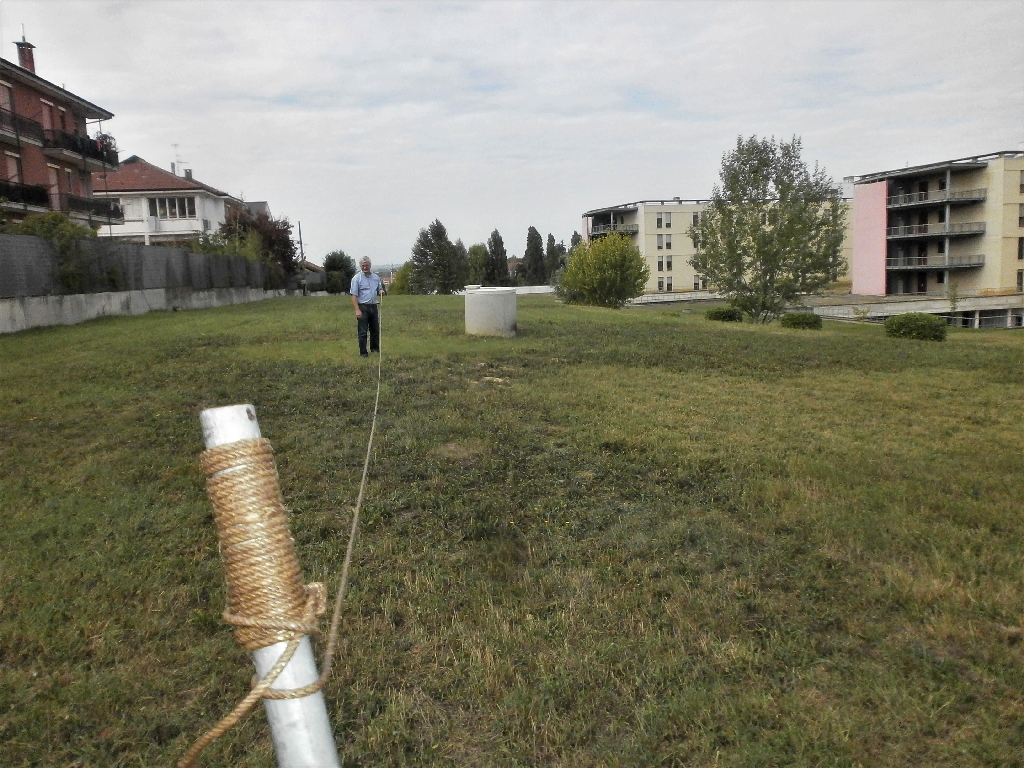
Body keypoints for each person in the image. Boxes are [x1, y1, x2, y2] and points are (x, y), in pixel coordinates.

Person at [350, 256, 384, 357]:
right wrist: (357, 310)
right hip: (362, 307)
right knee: (363, 332)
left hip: (373, 306)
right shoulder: (356, 278)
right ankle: (363, 353)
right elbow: (354, 296)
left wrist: (381, 291)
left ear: (370, 265)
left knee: (375, 330)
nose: (365, 267)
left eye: (367, 265)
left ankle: (375, 350)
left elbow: (379, 288)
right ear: (360, 266)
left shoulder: (376, 277)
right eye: (363, 265)